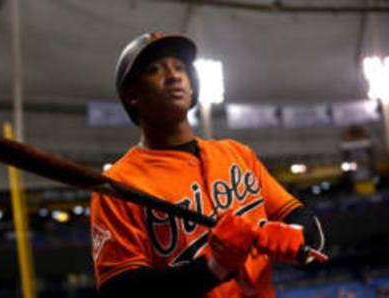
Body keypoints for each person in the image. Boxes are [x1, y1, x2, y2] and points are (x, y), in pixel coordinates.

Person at [90, 32, 325, 298]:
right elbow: (119, 289)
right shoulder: (118, 185)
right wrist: (213, 268)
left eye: (179, 68)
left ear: (193, 87)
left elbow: (305, 223)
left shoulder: (237, 154)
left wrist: (292, 235)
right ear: (132, 95)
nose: (173, 75)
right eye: (155, 70)